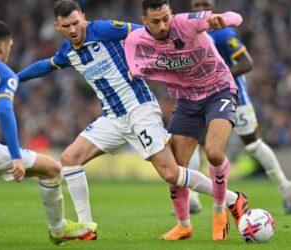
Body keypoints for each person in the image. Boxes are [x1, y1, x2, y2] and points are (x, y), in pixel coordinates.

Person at [18, 0, 247, 241]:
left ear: (83, 18)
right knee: (70, 159)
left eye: (76, 23)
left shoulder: (104, 29)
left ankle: (233, 199)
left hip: (139, 110)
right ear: (58, 27)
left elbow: (143, 31)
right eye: (67, 26)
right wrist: (14, 79)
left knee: (170, 173)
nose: (73, 29)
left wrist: (145, 63)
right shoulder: (67, 51)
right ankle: (86, 226)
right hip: (113, 118)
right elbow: (46, 65)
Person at [0, 19, 95, 245]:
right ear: (4, 46)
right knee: (52, 169)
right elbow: (5, 111)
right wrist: (15, 156)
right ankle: (58, 229)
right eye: (10, 46)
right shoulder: (4, 73)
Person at [124, 0, 247, 241]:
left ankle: (221, 210)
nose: (162, 25)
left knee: (213, 152)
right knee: (175, 168)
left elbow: (236, 17)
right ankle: (184, 226)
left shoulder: (187, 22)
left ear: (171, 13)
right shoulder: (136, 40)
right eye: (156, 21)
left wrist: (223, 19)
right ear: (144, 21)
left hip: (219, 90)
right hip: (187, 100)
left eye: (166, 18)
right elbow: (134, 65)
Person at [187, 0, 291, 215]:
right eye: (196, 5)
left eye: (205, 5)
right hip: (204, 96)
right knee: (193, 141)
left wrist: (219, 78)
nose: (200, 10)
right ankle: (192, 199)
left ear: (213, 6)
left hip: (235, 96)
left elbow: (247, 63)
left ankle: (286, 188)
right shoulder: (189, 32)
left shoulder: (222, 33)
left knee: (252, 145)